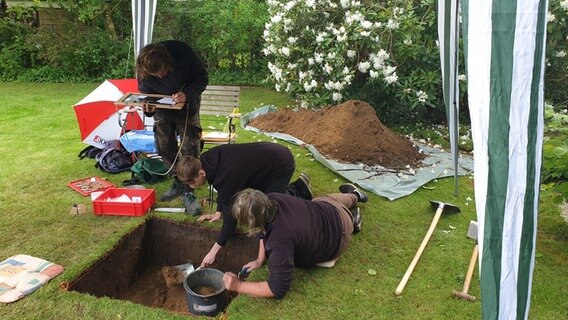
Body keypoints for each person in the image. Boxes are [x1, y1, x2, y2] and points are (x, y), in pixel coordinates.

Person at [175, 142, 313, 269]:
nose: (192, 187)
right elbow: (223, 192)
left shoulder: (226, 175)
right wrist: (218, 212)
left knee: (269, 206)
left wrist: (213, 251)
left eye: (192, 183)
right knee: (263, 197)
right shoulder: (206, 161)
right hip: (263, 160)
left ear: (201, 173)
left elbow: (231, 220)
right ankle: (299, 187)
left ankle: (301, 191)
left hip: (279, 163)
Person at [221, 184, 367, 298]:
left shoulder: (279, 241)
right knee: (323, 200)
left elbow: (277, 288)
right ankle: (354, 196)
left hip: (339, 239)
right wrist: (260, 259)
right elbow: (263, 228)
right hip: (330, 211)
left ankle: (354, 220)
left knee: (323, 201)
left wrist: (238, 286)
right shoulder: (272, 199)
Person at [136, 40, 208, 215]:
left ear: (169, 62)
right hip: (163, 107)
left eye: (163, 72)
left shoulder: (184, 53)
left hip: (187, 103)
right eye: (155, 75)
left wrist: (187, 94)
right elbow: (146, 94)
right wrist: (148, 107)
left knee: (189, 147)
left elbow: (202, 79)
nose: (160, 77)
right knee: (164, 146)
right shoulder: (144, 67)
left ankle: (188, 191)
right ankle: (178, 181)